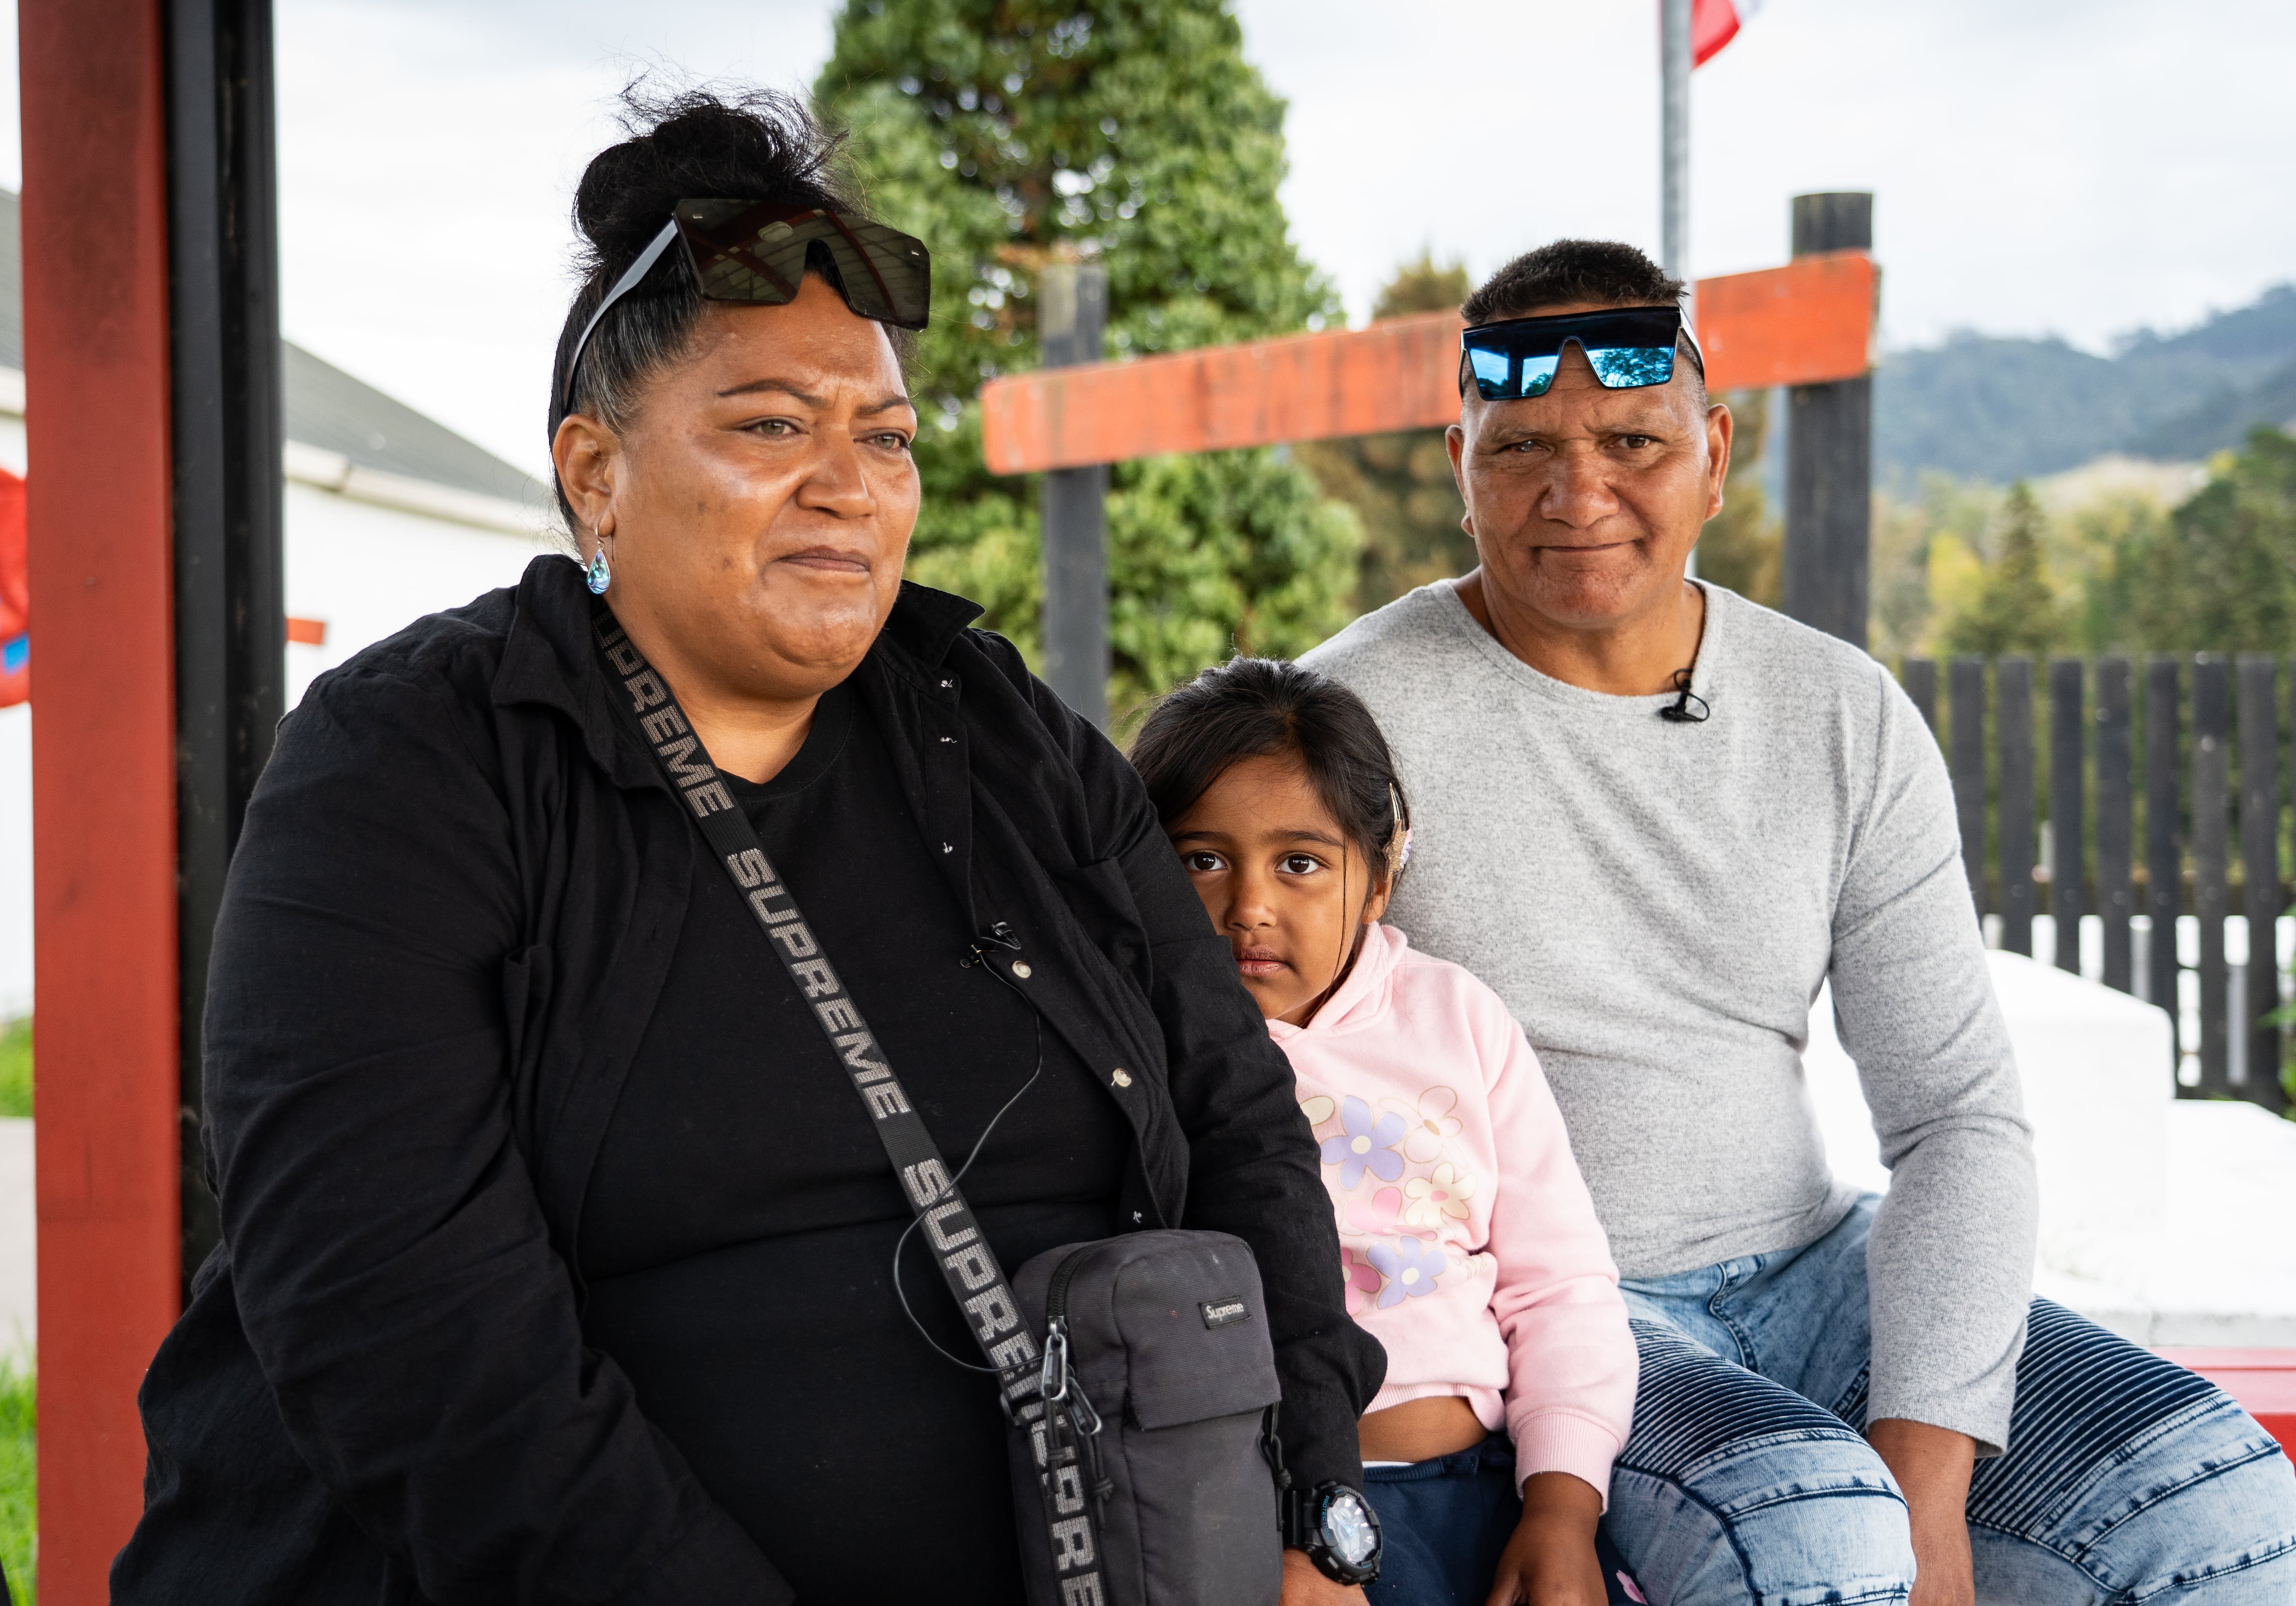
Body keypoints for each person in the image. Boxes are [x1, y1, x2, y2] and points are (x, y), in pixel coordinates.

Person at [110, 88, 1382, 1605]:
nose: (847, 481)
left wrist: (1314, 1502)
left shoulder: (1008, 736)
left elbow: (1239, 1111)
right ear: (595, 473)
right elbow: (397, 1321)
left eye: (886, 437)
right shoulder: (408, 761)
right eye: (770, 425)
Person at [1303, 239, 2296, 1605]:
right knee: (1814, 1526)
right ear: (1457, 461)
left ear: (1715, 454)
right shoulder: (1340, 723)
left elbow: (1957, 1113)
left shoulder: (1841, 709)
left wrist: (1931, 1481)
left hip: (1818, 1252)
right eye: (1522, 443)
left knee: (2213, 1495)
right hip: (1554, 1299)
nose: (1576, 489)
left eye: (1633, 441)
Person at [1131, 658, 1644, 1606]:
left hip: (1485, 1499)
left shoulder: (1458, 1021)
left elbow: (1560, 1284)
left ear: (1378, 874)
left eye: (1300, 862)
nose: (1249, 904)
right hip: (1258, 1521)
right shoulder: (1141, 1049)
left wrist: (1563, 1507)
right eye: (1201, 857)